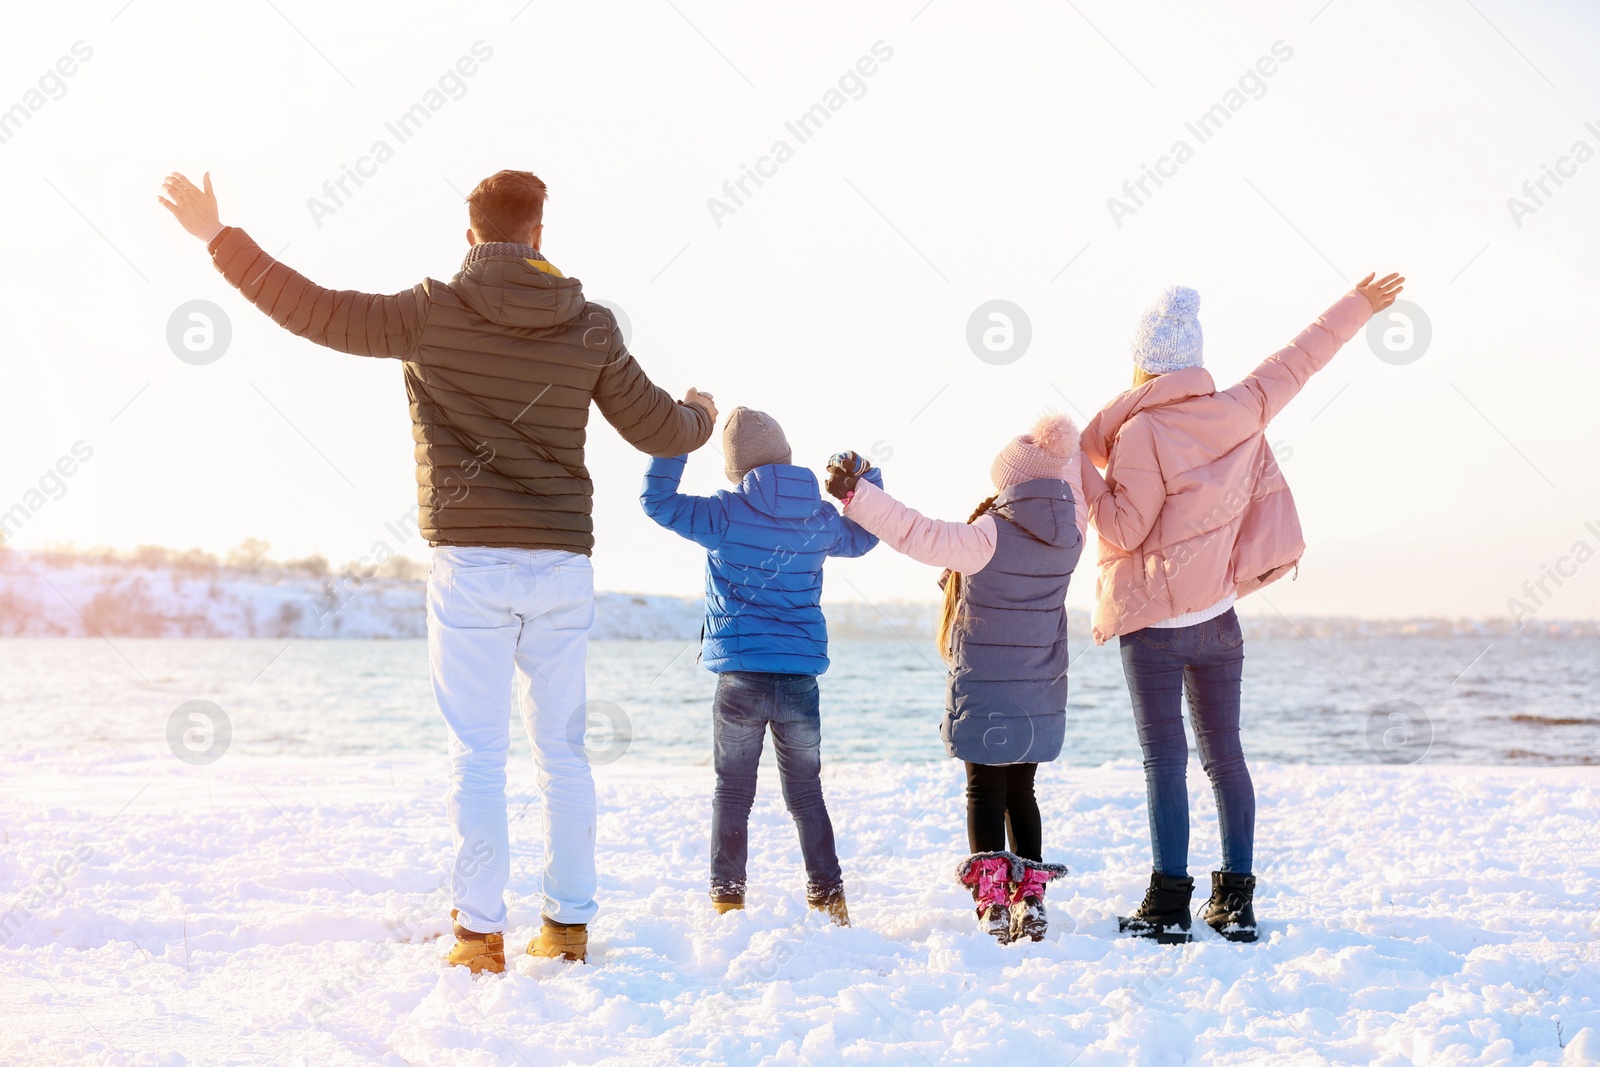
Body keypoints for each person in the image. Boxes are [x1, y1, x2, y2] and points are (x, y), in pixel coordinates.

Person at [159, 168, 718, 973]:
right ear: (537, 236)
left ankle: (481, 935)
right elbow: (661, 426)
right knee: (563, 753)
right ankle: (566, 929)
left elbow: (309, 308)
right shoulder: (590, 327)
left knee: (479, 754)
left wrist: (219, 237)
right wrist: (701, 412)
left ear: (471, 239)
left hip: (472, 563)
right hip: (561, 564)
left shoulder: (431, 313)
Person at [1079, 274, 1404, 944]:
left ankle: (1169, 903)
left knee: (1164, 761)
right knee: (1225, 756)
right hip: (1221, 622)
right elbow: (1301, 357)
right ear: (1193, 361)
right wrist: (1359, 305)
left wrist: (1078, 469)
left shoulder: (1140, 431)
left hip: (1157, 630)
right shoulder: (1244, 404)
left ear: (1143, 364)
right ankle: (1236, 900)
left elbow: (1122, 529)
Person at [827, 414, 1085, 943]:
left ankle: (992, 904)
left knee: (984, 793)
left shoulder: (987, 536)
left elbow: (915, 533)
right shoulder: (1073, 533)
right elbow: (1073, 479)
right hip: (1040, 692)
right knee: (1023, 792)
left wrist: (857, 494)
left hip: (987, 691)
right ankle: (1031, 901)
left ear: (1008, 484)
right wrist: (1068, 448)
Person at [640, 407, 881, 923]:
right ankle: (829, 897)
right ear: (789, 458)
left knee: (732, 791)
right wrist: (865, 477)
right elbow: (865, 537)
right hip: (798, 679)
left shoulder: (724, 513)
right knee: (806, 794)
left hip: (740, 676)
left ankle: (728, 899)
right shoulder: (819, 517)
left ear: (736, 470)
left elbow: (655, 500)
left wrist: (680, 434)